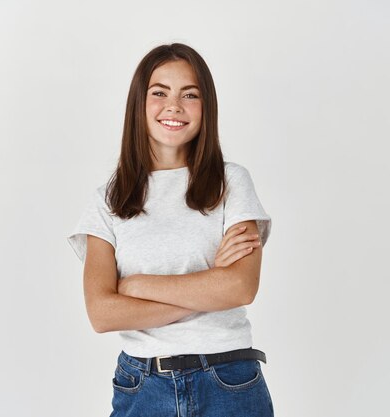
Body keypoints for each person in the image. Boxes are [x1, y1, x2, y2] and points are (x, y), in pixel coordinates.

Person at [66, 42, 274, 417]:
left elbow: (241, 287)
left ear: (205, 107)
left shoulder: (231, 183)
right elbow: (102, 313)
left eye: (189, 94)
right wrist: (210, 285)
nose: (174, 106)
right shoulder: (108, 200)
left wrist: (135, 287)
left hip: (229, 381)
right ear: (139, 104)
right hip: (142, 386)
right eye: (159, 92)